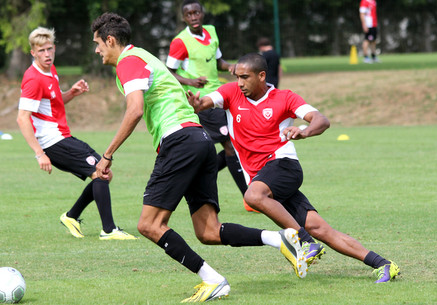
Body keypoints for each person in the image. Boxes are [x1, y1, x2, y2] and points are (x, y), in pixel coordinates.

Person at [90, 12, 314, 303]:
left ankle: (213, 280)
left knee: (149, 225)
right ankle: (278, 238)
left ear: (110, 40)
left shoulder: (128, 61)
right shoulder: (144, 56)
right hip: (201, 140)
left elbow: (134, 110)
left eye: (97, 43)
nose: (96, 51)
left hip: (180, 141)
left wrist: (107, 155)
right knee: (208, 231)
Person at [187, 52, 401, 283]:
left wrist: (304, 131)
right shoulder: (231, 92)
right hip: (264, 177)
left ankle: (306, 243)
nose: (239, 83)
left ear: (261, 76)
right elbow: (207, 102)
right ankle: (383, 264)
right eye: (237, 77)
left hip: (283, 165)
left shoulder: (284, 97)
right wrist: (198, 105)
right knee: (320, 228)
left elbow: (321, 119)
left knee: (253, 196)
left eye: (245, 77)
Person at [16, 27, 137, 241]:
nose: (47, 54)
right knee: (101, 172)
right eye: (41, 50)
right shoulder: (33, 79)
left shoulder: (50, 70)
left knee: (103, 173)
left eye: (49, 49)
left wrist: (72, 93)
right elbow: (22, 118)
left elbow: (53, 102)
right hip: (53, 142)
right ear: (32, 52)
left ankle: (72, 216)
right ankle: (108, 230)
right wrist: (39, 153)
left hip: (62, 137)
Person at [166, 0, 251, 212]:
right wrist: (190, 82)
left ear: (202, 13)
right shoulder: (180, 41)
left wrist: (230, 66)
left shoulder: (211, 32)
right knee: (231, 145)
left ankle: (197, 175)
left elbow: (219, 62)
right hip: (201, 99)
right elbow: (168, 71)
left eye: (197, 12)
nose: (194, 17)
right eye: (189, 14)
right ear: (184, 18)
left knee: (231, 144)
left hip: (221, 95)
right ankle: (249, 198)